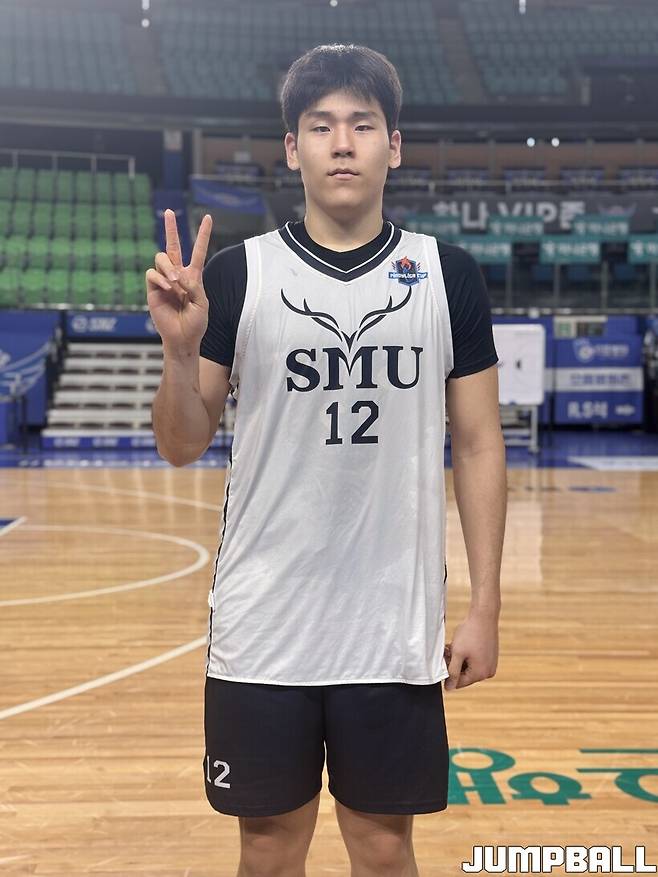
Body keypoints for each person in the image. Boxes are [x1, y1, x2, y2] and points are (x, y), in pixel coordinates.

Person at [149, 43, 506, 877]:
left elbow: (479, 443)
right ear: (292, 148)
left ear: (394, 145)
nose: (342, 143)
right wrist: (180, 351)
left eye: (362, 124)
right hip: (264, 624)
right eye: (320, 126)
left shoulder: (446, 275)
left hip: (392, 625)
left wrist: (486, 606)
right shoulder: (239, 275)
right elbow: (180, 441)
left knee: (383, 847)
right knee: (270, 848)